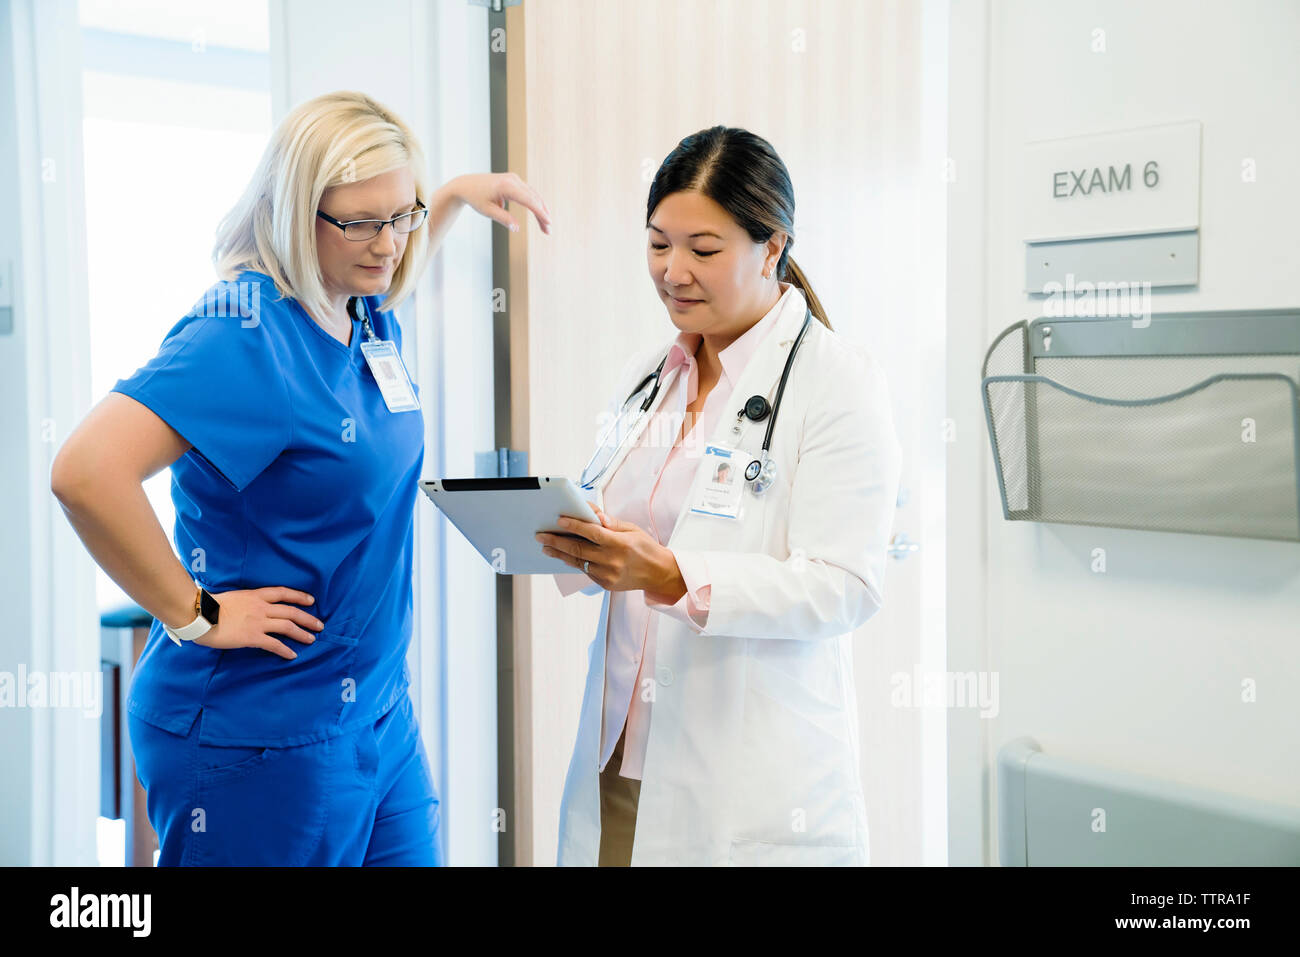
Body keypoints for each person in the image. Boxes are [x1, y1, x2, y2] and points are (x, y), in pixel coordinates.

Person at [50, 90, 550, 866]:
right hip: (261, 732)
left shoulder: (359, 305)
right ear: (294, 214)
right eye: (361, 222)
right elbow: (85, 472)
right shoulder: (243, 336)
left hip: (376, 714)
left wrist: (448, 199)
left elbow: (397, 264)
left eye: (403, 214)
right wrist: (198, 613)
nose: (387, 245)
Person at [538, 125, 902, 866]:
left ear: (772, 248)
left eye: (703, 250)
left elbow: (847, 585)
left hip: (745, 782)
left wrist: (674, 576)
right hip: (621, 754)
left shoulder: (837, 381)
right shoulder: (650, 375)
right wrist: (578, 538)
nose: (673, 271)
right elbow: (618, 514)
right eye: (657, 243)